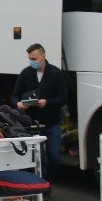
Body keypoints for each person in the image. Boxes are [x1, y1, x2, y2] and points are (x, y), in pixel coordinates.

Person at [12, 43, 67, 178]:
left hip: (51, 121)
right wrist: (18, 104)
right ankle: (39, 186)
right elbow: (14, 95)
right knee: (36, 157)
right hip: (32, 122)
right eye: (30, 59)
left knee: (53, 156)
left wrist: (47, 102)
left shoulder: (55, 73)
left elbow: (63, 98)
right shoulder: (26, 73)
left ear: (43, 57)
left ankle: (46, 180)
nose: (32, 61)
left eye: (34, 59)